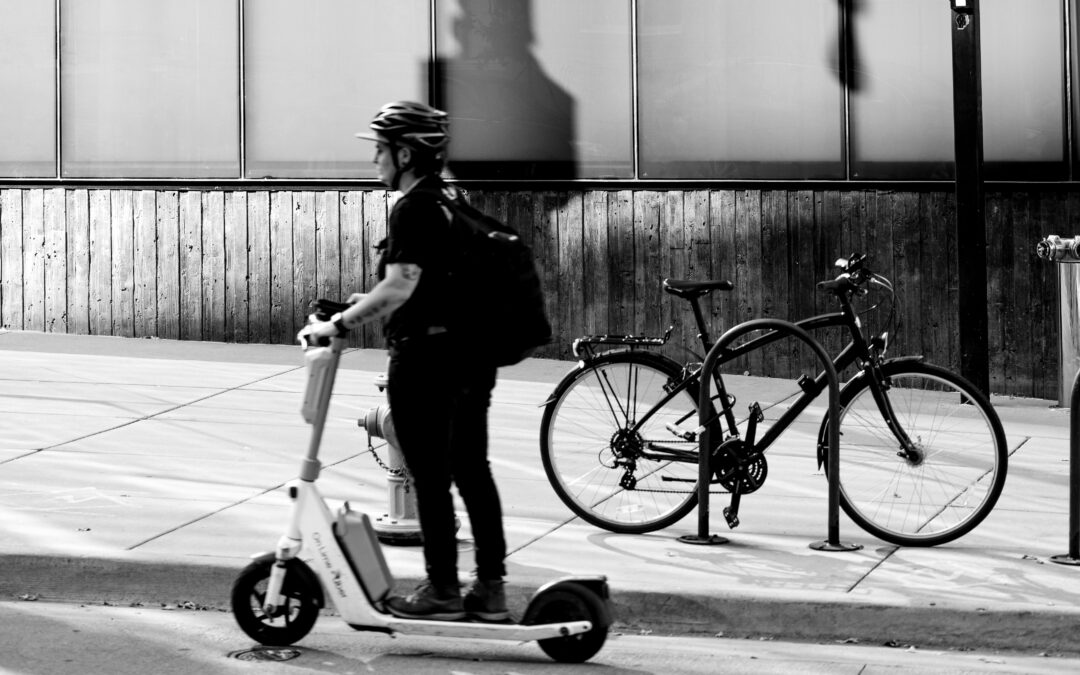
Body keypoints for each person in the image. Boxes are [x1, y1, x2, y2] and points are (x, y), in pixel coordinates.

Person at [300, 101, 508, 622]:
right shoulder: (449, 202)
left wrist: (339, 325)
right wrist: (352, 304)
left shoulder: (413, 208)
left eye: (380, 149)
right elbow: (427, 287)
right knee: (473, 473)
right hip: (470, 359)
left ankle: (441, 590)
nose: (374, 159)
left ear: (407, 153)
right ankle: (490, 589)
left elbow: (401, 285)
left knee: (431, 477)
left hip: (426, 363)